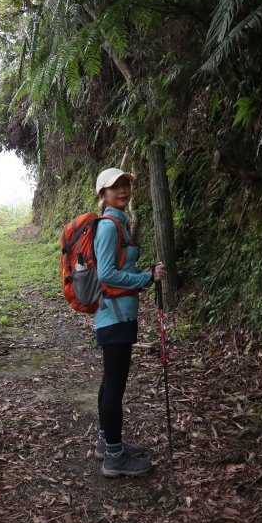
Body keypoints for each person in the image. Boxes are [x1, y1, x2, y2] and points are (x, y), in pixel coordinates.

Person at [92, 167, 167, 477]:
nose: (122, 190)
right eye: (114, 187)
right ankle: (114, 457)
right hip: (115, 316)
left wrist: (142, 273)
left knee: (110, 382)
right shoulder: (110, 226)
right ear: (103, 195)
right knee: (115, 387)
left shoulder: (119, 223)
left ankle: (106, 442)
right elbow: (105, 274)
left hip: (116, 314)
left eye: (125, 185)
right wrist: (145, 278)